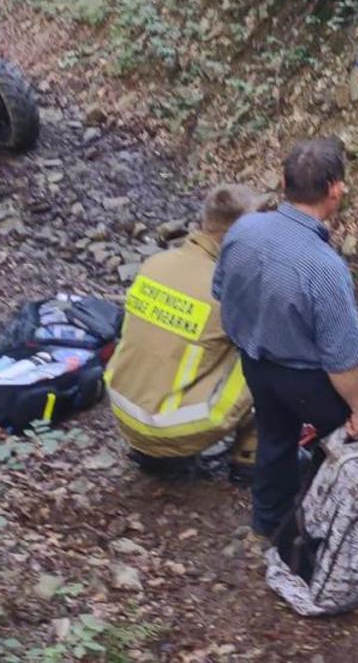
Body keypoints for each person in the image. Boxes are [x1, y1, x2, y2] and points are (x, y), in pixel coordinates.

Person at [212, 138, 358, 538]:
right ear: (334, 190)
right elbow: (342, 360)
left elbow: (221, 292)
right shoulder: (325, 267)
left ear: (284, 182)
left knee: (275, 436)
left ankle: (267, 525)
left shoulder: (243, 229)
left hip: (254, 360)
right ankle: (322, 531)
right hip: (303, 378)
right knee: (343, 442)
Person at [106, 184, 259, 482]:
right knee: (273, 357)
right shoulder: (229, 289)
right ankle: (250, 460)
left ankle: (151, 452)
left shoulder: (155, 263)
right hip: (170, 427)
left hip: (123, 411)